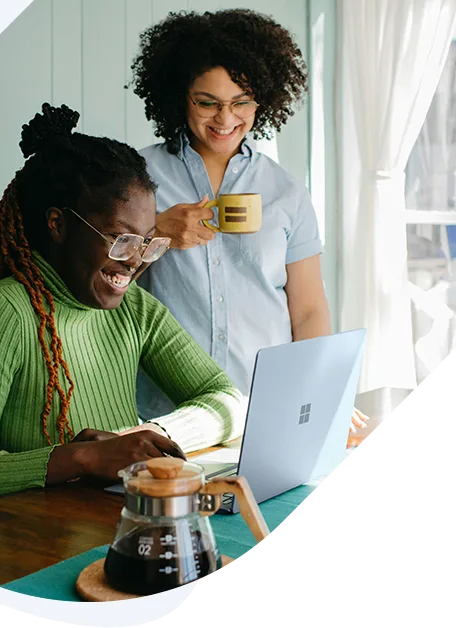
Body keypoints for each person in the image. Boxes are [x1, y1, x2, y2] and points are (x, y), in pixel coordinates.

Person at [0, 103, 245, 517]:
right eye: (121, 239)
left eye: (147, 242)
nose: (135, 260)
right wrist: (81, 458)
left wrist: (146, 435)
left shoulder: (134, 308)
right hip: (26, 541)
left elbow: (227, 400)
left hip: (106, 522)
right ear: (58, 224)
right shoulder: (0, 315)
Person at [128, 9, 369, 442]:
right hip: (165, 413)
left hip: (267, 408)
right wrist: (156, 234)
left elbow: (308, 310)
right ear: (180, 96)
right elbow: (93, 286)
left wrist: (322, 392)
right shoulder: (135, 178)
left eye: (241, 102)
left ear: (263, 100)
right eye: (207, 102)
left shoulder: (286, 191)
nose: (225, 119)